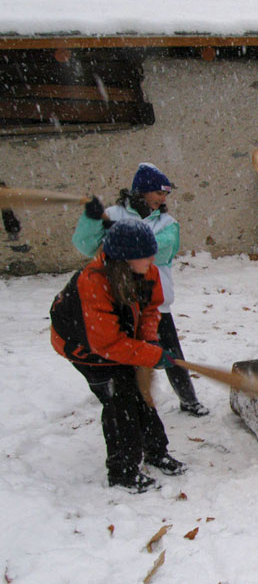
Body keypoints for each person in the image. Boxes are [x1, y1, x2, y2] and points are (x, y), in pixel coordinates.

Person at [50, 219, 187, 493]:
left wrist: (149, 342)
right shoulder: (93, 282)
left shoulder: (147, 271)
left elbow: (150, 310)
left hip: (120, 336)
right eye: (145, 254)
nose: (152, 258)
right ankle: (123, 472)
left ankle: (155, 451)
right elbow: (108, 345)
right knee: (120, 399)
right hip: (85, 347)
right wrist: (148, 355)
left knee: (142, 393)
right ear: (124, 258)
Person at [72, 163, 208, 416]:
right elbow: (85, 245)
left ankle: (188, 399)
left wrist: (121, 238)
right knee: (124, 355)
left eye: (166, 194)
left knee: (171, 354)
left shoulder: (168, 222)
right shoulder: (111, 213)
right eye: (159, 192)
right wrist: (91, 219)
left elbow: (160, 251)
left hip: (153, 301)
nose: (163, 199)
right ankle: (131, 404)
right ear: (143, 191)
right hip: (118, 300)